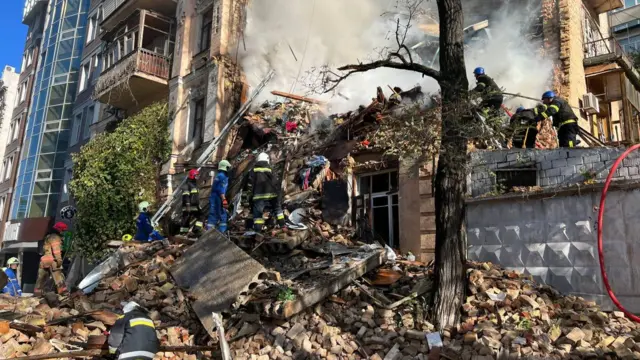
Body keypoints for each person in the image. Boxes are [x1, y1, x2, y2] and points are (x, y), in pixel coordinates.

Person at [249, 152, 286, 232]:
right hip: (271, 195)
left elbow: (250, 183)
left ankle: (258, 231)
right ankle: (283, 226)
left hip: (258, 197)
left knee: (258, 215)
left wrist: (250, 196)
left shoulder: (253, 170)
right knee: (278, 210)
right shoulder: (270, 168)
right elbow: (275, 182)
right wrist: (278, 194)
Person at [35, 222, 67, 295]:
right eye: (63, 230)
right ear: (60, 230)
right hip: (53, 261)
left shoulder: (48, 236)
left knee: (41, 279)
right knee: (59, 278)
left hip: (44, 260)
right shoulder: (55, 237)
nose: (63, 232)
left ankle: (38, 293)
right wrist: (59, 260)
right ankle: (63, 293)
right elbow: (56, 250)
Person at [208, 160, 231, 232]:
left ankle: (209, 232)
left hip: (214, 197)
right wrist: (224, 200)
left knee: (213, 214)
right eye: (228, 167)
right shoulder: (223, 176)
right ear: (225, 167)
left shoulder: (219, 175)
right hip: (218, 198)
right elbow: (221, 189)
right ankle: (221, 233)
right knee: (222, 214)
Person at [180, 169, 204, 235]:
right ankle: (183, 233)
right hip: (188, 205)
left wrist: (198, 205)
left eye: (198, 175)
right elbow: (186, 196)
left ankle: (195, 231)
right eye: (196, 175)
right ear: (192, 176)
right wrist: (187, 205)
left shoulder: (194, 185)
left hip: (194, 206)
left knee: (201, 216)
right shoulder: (187, 185)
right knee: (186, 219)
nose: (197, 177)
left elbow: (196, 197)